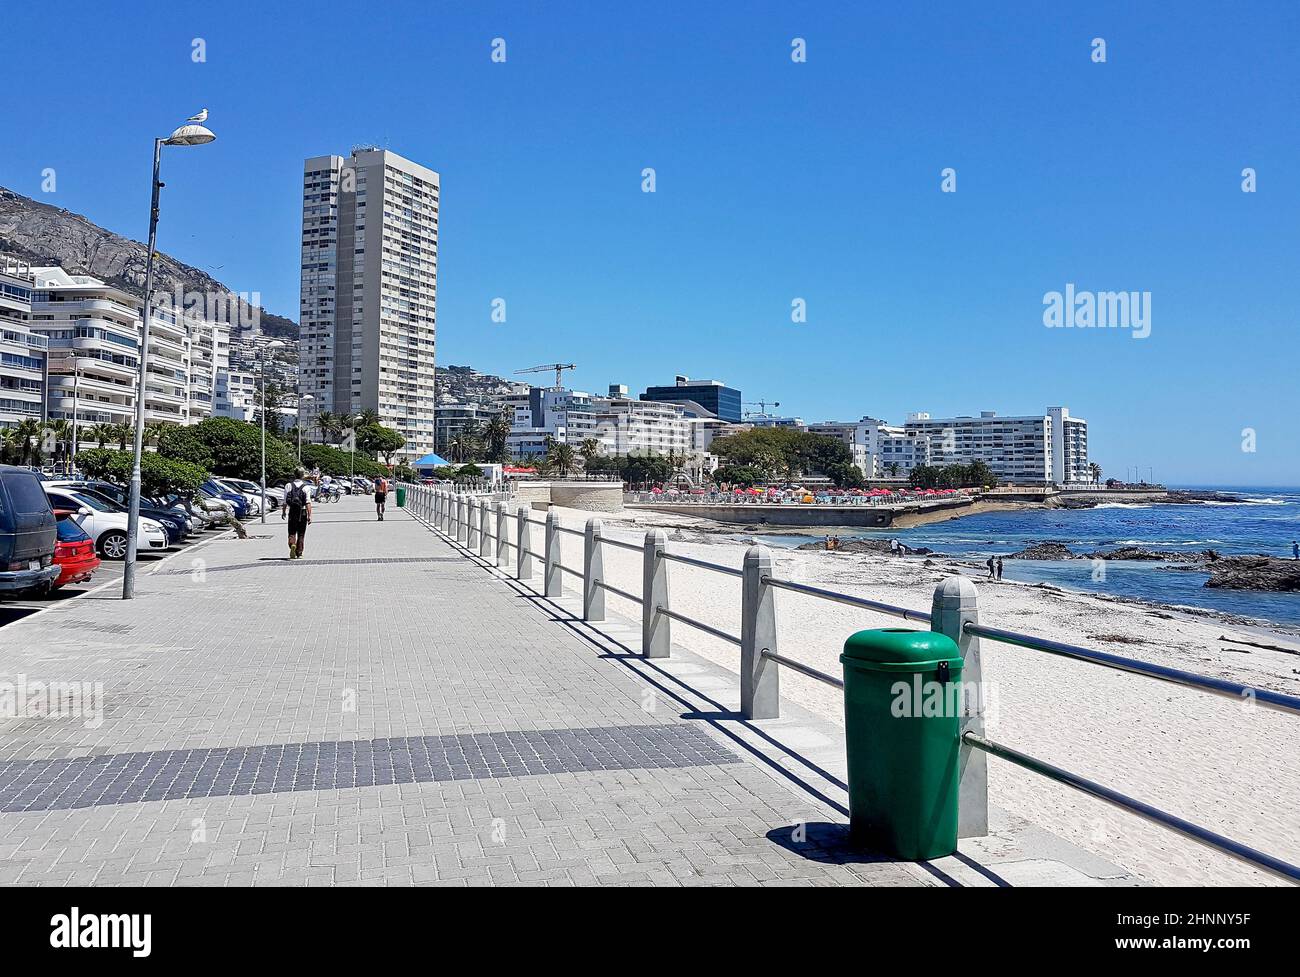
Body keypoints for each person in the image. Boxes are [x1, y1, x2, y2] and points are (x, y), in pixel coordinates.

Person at [281, 467, 312, 559]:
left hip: (292, 511)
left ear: (294, 475)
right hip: (302, 512)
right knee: (301, 533)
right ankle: (299, 552)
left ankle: (292, 544)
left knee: (292, 532)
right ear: (303, 476)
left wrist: (283, 512)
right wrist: (309, 515)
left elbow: (285, 501)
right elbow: (308, 503)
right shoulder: (306, 487)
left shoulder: (288, 485)